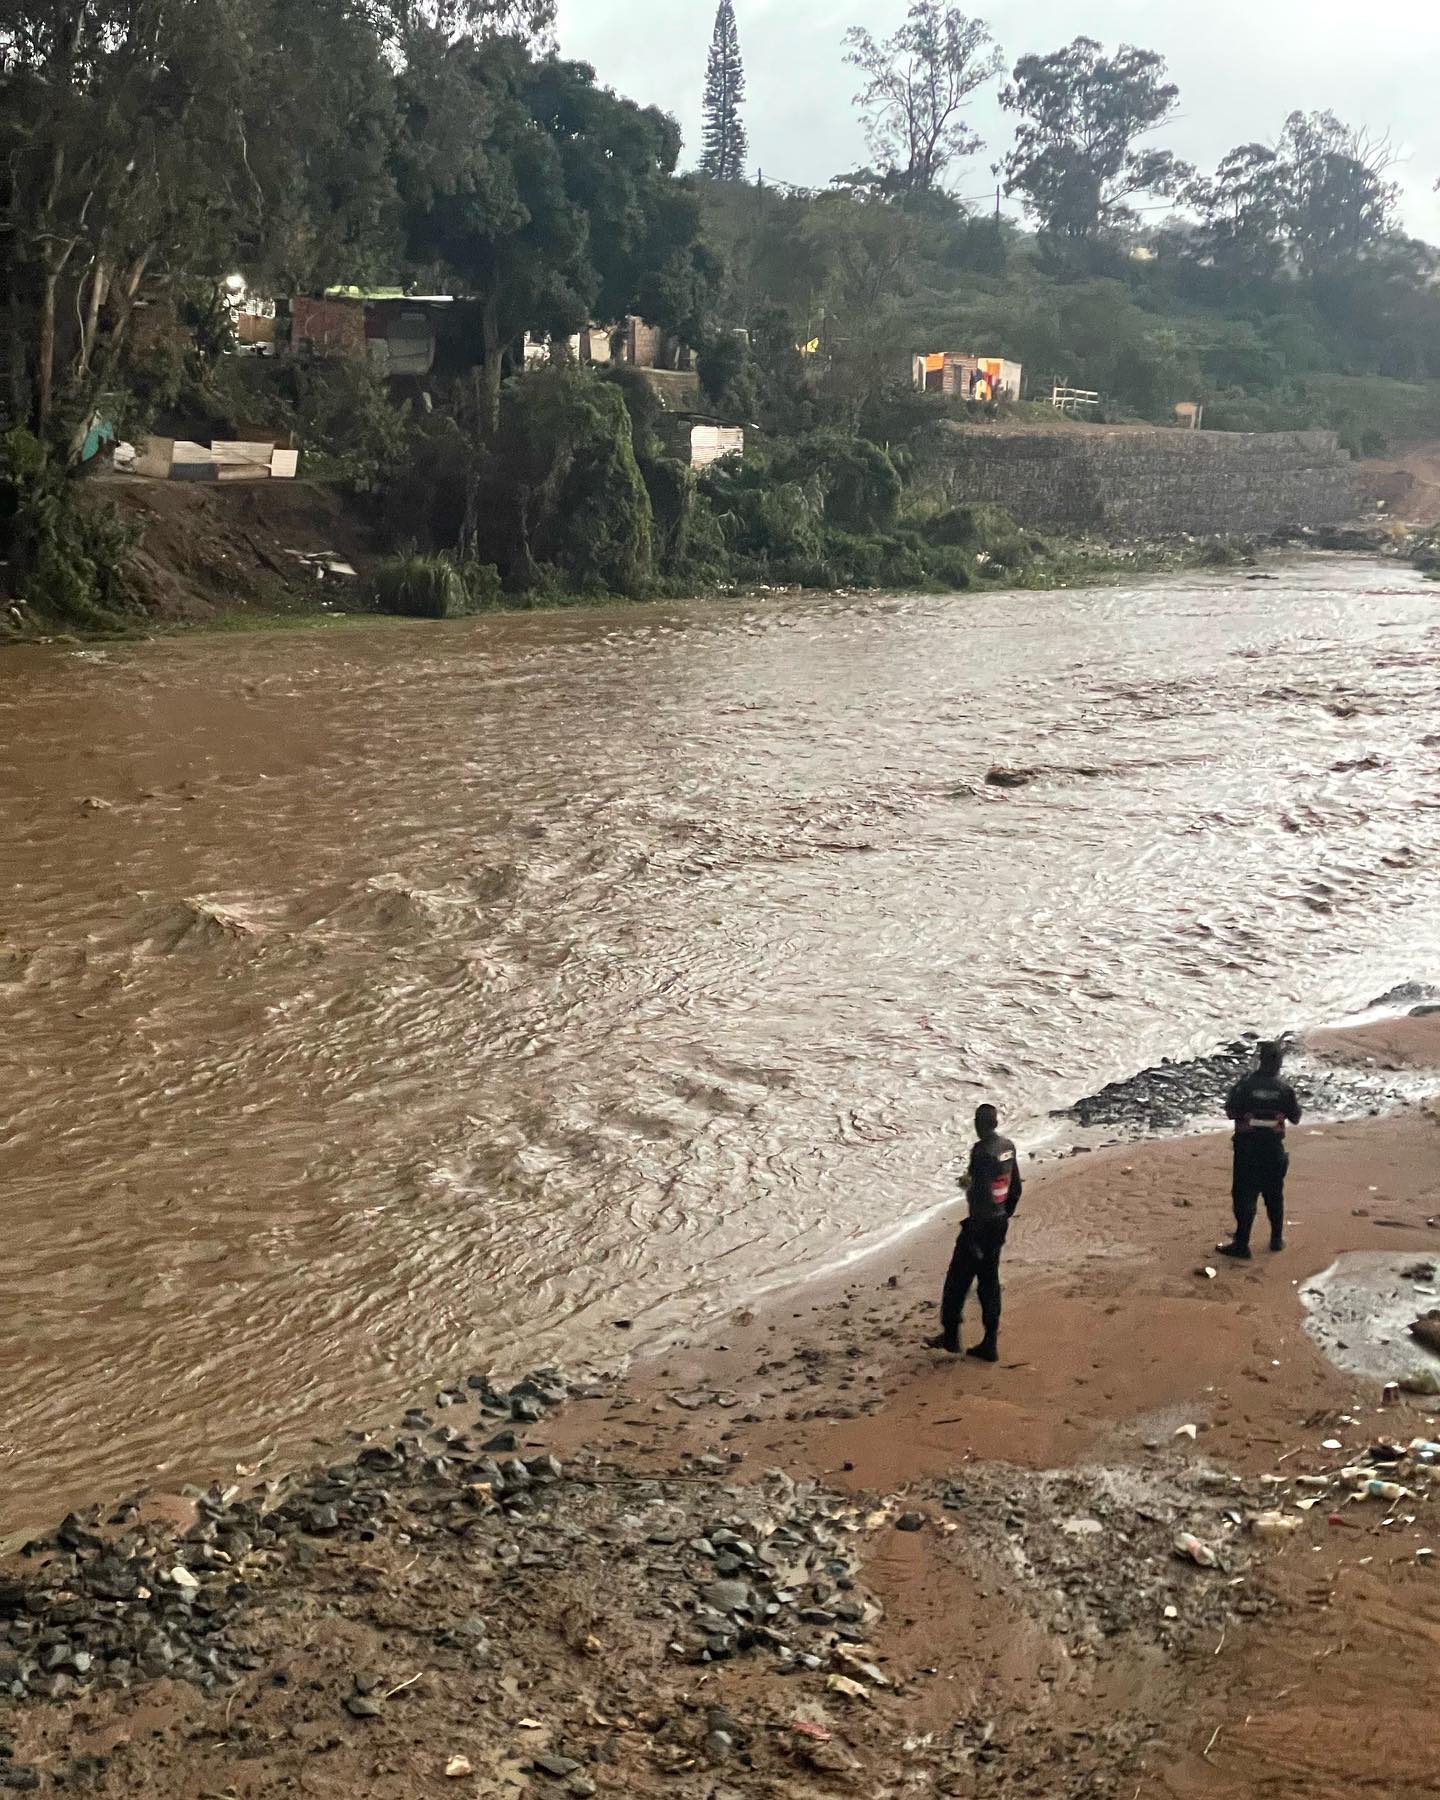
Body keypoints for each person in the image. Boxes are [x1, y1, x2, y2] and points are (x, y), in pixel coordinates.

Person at [928, 1103, 1022, 1361]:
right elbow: (1015, 1187)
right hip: (998, 1222)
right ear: (996, 1122)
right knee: (989, 1283)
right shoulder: (1008, 1147)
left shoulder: (981, 1152)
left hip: (980, 1225)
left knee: (956, 1281)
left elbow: (979, 1191)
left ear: (978, 1124)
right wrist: (1004, 1214)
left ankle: (950, 1337)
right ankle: (989, 1342)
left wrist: (975, 1231)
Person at [1219, 1042, 1301, 1260]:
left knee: (1244, 1196)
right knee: (1274, 1195)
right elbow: (1296, 1117)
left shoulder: (1245, 1086)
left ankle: (1242, 1243)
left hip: (1247, 1148)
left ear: (1260, 1060)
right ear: (1279, 1063)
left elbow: (1230, 1112)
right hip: (1273, 1149)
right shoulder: (1285, 1090)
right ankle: (1276, 1239)